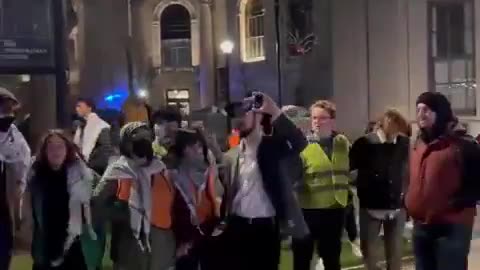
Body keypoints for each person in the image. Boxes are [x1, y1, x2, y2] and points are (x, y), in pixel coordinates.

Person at [220, 92, 308, 270]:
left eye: (244, 113)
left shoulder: (274, 149)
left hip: (265, 228)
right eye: (235, 115)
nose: (238, 120)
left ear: (259, 115)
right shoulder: (232, 155)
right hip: (237, 226)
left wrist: (275, 111)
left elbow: (300, 142)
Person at [406, 92, 476, 270]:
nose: (421, 114)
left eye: (427, 109)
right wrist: (406, 199)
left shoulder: (463, 145)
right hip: (421, 226)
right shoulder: (417, 144)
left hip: (451, 227)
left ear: (441, 112)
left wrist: (457, 201)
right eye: (418, 109)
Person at [93, 122, 176, 270]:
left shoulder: (161, 168)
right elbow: (98, 205)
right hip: (129, 249)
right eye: (137, 138)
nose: (143, 143)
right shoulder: (118, 170)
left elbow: (172, 205)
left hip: (161, 249)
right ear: (126, 143)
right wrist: (127, 212)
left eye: (146, 138)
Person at [29, 130, 100, 270]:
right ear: (44, 151)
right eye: (51, 147)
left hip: (73, 244)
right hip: (45, 245)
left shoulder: (79, 173)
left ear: (68, 150)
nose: (56, 151)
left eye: (60, 147)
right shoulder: (35, 176)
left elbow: (99, 189)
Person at [292, 100, 351, 270]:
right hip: (307, 211)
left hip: (335, 209)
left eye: (322, 118)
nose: (317, 121)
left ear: (332, 120)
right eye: (314, 118)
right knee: (302, 260)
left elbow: (348, 172)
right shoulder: (302, 144)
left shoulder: (342, 143)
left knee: (332, 260)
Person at [350, 109, 410, 270]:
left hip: (397, 206)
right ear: (383, 124)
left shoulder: (404, 143)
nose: (396, 132)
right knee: (369, 254)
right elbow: (351, 172)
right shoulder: (363, 143)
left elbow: (406, 170)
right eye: (393, 126)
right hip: (371, 206)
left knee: (395, 254)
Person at [170, 129, 221, 270]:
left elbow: (217, 203)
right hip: (184, 242)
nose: (198, 150)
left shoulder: (208, 174)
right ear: (184, 150)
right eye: (194, 146)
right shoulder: (172, 179)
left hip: (208, 238)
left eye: (199, 146)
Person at [0, 87, 31, 270]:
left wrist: (20, 181)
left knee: (4, 245)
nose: (7, 115)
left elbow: (23, 158)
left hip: (3, 199)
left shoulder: (12, 133)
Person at [73, 98, 114, 175]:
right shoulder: (81, 125)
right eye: (76, 106)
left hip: (95, 170)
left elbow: (106, 151)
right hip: (83, 168)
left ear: (89, 108)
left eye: (80, 106)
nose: (77, 109)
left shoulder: (101, 126)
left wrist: (91, 166)